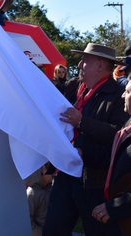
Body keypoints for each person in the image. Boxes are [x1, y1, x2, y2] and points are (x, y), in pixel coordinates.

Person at [42, 43, 130, 236]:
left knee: (98, 231)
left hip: (93, 180)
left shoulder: (117, 96)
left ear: (100, 65)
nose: (79, 65)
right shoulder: (75, 87)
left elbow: (117, 135)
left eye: (85, 61)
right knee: (52, 229)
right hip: (66, 173)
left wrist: (82, 122)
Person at [91, 76, 131, 236]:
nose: (122, 95)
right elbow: (111, 153)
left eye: (127, 92)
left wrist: (117, 207)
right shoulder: (128, 124)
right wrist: (80, 153)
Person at [25, 163, 53, 236]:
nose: (51, 172)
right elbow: (27, 221)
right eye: (46, 169)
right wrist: (43, 233)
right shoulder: (31, 194)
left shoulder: (51, 189)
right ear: (39, 174)